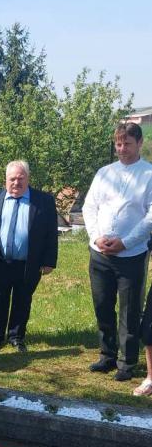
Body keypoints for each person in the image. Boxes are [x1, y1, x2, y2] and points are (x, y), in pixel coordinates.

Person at [83, 122, 152, 382]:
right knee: (102, 305)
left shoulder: (148, 174)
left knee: (129, 310)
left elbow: (150, 217)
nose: (122, 149)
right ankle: (107, 354)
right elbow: (89, 207)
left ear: (140, 143)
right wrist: (96, 237)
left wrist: (125, 242)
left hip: (131, 255)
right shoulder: (105, 173)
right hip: (100, 252)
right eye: (118, 144)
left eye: (127, 144)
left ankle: (127, 361)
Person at [0, 160, 58, 354]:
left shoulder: (43, 201)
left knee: (22, 300)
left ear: (28, 178)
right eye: (12, 179)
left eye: (20, 178)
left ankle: (16, 337)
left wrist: (49, 261)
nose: (16, 183)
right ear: (5, 179)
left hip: (28, 263)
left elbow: (51, 233)